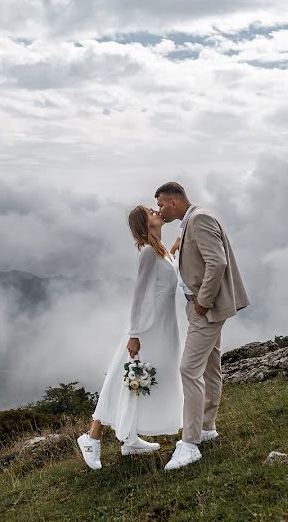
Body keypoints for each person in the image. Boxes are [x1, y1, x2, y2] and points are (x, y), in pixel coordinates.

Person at [77, 206, 184, 470]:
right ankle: (91, 438)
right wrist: (134, 334)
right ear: (144, 223)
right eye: (150, 211)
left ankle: (130, 438)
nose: (156, 211)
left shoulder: (158, 250)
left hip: (163, 325)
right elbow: (139, 295)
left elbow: (163, 274)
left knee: (141, 378)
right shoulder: (148, 252)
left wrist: (174, 248)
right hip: (148, 326)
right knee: (125, 376)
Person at [155, 181, 249, 471]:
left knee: (189, 370)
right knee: (210, 366)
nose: (160, 210)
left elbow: (217, 262)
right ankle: (207, 427)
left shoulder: (200, 219)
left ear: (173, 201)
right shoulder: (192, 220)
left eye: (161, 205)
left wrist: (203, 303)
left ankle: (190, 443)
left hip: (205, 309)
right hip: (199, 307)